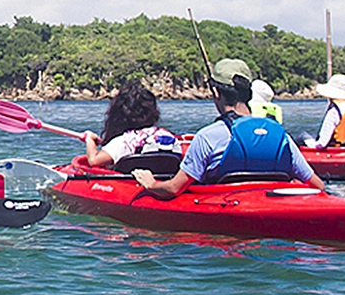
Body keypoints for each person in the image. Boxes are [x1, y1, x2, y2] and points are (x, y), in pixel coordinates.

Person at [139, 58, 327, 199]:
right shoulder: (281, 136)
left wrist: (151, 184)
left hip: (226, 212)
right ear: (249, 93)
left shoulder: (207, 137)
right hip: (272, 210)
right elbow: (318, 186)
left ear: (216, 93)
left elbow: (173, 189)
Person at [75, 81, 186, 176]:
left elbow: (94, 160)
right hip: (163, 183)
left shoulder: (124, 142)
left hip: (128, 188)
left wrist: (90, 140)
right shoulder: (167, 136)